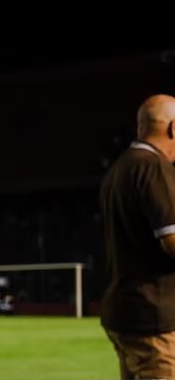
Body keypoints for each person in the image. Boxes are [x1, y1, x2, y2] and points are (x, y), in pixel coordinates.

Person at [99, 93, 175, 379]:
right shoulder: (153, 166)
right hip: (154, 316)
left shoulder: (120, 167)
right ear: (173, 128)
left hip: (127, 314)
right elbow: (172, 241)